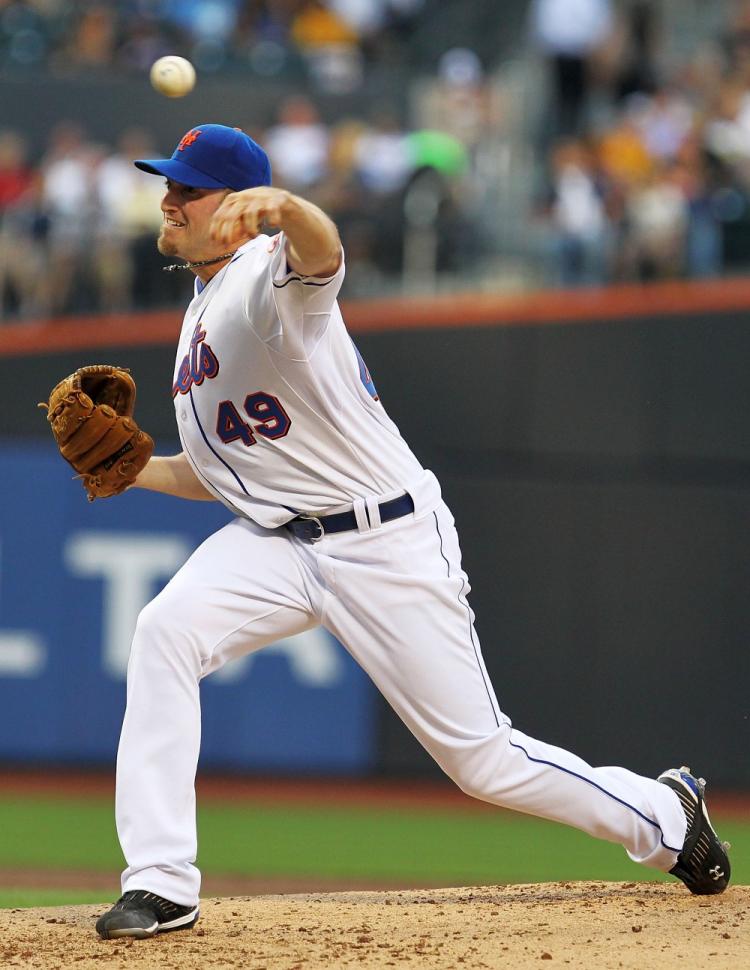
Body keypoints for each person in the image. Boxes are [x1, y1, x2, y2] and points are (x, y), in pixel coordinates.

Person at [94, 123, 730, 940]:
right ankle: (161, 882)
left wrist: (288, 209)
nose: (169, 198)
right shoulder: (201, 310)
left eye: (188, 187)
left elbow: (322, 258)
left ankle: (664, 814)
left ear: (237, 207)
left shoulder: (267, 279)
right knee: (164, 631)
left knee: (482, 760)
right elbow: (218, 476)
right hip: (280, 542)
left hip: (383, 540)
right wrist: (133, 466)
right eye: (168, 184)